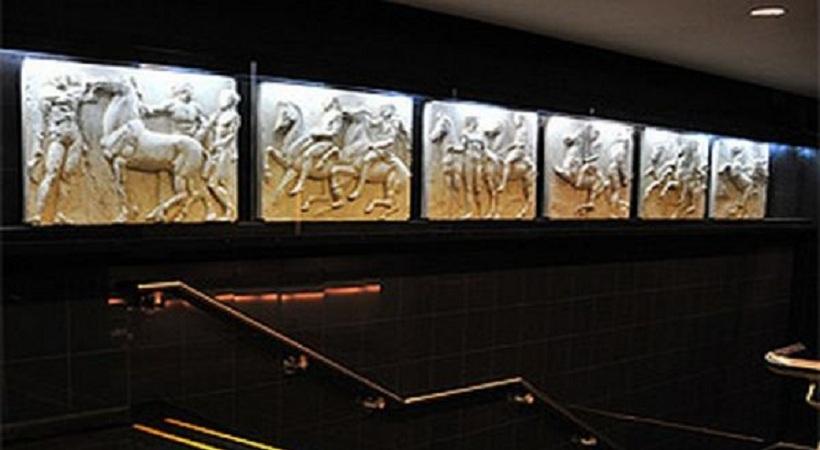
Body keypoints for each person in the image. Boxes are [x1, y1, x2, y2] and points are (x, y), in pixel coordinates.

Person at [27, 75, 92, 225]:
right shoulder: (48, 95)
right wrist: (38, 145)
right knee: (51, 173)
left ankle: (61, 213)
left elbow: (85, 97)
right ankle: (38, 213)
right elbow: (40, 122)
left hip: (75, 136)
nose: (64, 80)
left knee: (68, 175)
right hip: (57, 135)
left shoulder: (75, 95)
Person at [201, 89, 241, 219]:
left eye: (223, 98)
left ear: (230, 101)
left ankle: (230, 210)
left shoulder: (234, 117)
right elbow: (210, 128)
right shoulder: (219, 115)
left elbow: (231, 137)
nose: (220, 101)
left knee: (215, 183)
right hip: (215, 151)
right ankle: (217, 210)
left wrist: (217, 144)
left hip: (225, 151)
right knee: (207, 180)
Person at [497, 114, 531, 193]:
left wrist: (510, 147)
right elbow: (514, 143)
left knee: (507, 162)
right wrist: (505, 149)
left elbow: (520, 143)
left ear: (521, 120)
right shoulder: (518, 130)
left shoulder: (523, 131)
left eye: (517, 120)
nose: (516, 122)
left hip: (519, 150)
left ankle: (503, 184)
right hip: (516, 149)